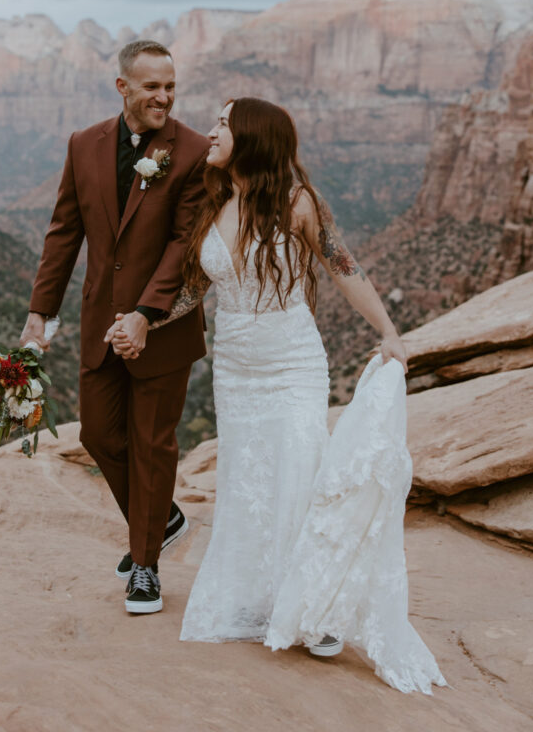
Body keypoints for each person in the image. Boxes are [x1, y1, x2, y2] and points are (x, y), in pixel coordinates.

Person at [112, 96, 447, 693]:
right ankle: (264, 600)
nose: (211, 131)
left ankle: (315, 610)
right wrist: (144, 320)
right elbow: (193, 290)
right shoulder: (215, 200)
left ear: (252, 138)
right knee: (248, 481)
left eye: (222, 124)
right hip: (237, 368)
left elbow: (345, 268)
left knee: (300, 471)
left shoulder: (298, 204)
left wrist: (388, 332)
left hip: (293, 363)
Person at [20, 40, 209, 615]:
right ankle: (163, 518)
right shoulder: (84, 145)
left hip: (163, 329)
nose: (165, 97)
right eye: (152, 86)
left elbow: (185, 243)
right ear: (123, 87)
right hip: (99, 322)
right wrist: (39, 314)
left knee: (152, 445)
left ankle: (146, 567)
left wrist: (145, 314)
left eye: (171, 86)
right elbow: (63, 233)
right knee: (99, 435)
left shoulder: (196, 152)